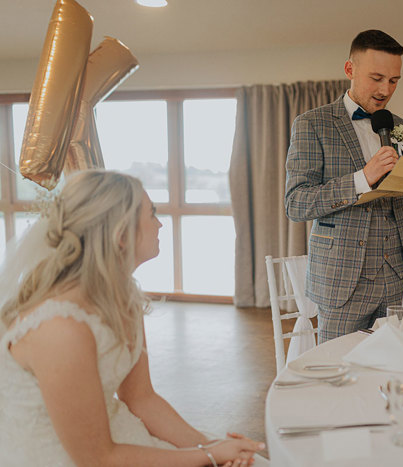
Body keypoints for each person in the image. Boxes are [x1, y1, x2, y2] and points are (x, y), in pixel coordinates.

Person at [0, 171, 264, 466]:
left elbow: (142, 399)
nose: (161, 224)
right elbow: (97, 458)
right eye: (152, 215)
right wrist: (208, 456)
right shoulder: (60, 329)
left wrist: (212, 443)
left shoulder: (123, 298)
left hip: (114, 437)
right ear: (121, 235)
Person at [285, 30, 403, 342]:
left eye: (394, 80)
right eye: (376, 77)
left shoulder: (400, 128)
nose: (385, 89)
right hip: (341, 282)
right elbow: (296, 204)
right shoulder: (312, 124)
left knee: (394, 367)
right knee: (339, 372)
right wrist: (363, 178)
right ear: (350, 70)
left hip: (398, 278)